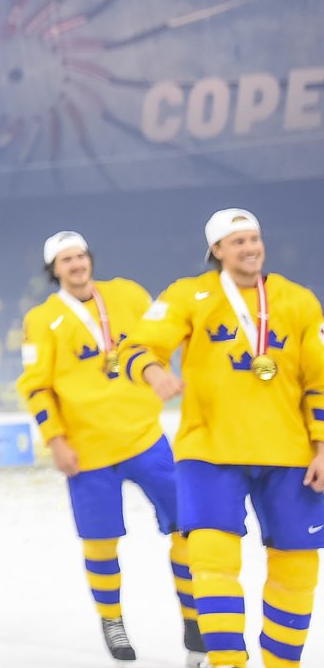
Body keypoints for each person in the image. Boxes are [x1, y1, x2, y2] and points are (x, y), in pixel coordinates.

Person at [121, 209, 324, 668]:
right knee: (211, 564)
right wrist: (153, 371)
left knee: (297, 568)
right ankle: (226, 662)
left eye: (254, 238)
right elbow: (137, 345)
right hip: (209, 451)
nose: (250, 248)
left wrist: (322, 446)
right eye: (238, 241)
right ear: (216, 250)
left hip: (289, 453)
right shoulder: (188, 295)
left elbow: (319, 381)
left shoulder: (298, 300)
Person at [18, 231, 200, 663]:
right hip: (87, 451)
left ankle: (194, 618)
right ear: (54, 270)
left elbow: (158, 339)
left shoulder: (128, 294)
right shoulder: (42, 320)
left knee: (187, 526)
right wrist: (55, 441)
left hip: (144, 437)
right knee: (100, 542)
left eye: (81, 255)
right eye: (66, 259)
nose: (77, 264)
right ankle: (112, 619)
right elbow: (36, 387)